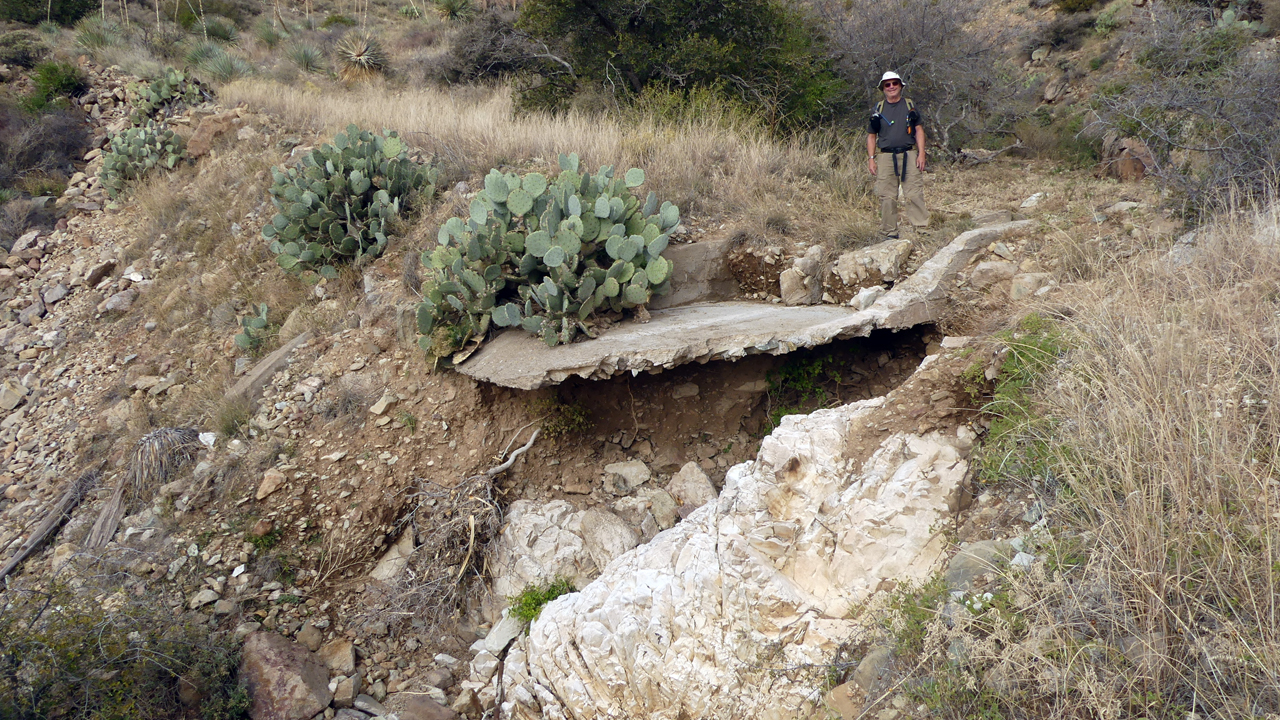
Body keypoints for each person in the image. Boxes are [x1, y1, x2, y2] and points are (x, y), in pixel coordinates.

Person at [867, 71, 928, 239]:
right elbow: (871, 135)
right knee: (887, 196)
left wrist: (921, 153)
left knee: (914, 193)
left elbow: (918, 130)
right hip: (885, 156)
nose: (891, 87)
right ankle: (889, 232)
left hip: (909, 154)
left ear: (900, 86)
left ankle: (922, 230)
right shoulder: (878, 109)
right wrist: (871, 159)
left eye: (895, 83)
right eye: (887, 84)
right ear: (883, 88)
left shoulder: (909, 106)